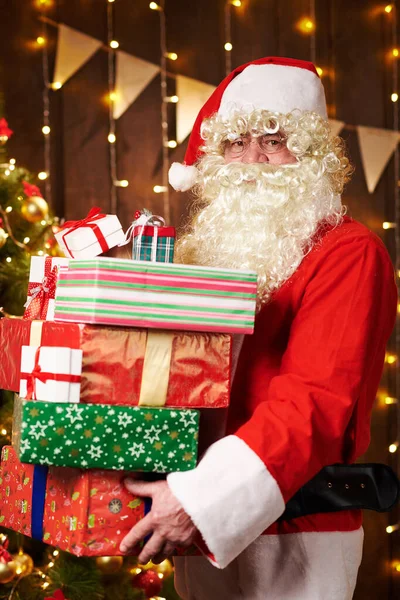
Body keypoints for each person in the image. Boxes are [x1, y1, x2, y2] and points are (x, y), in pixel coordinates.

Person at [120, 57, 398, 599]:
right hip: (197, 524)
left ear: (312, 153)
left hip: (296, 536)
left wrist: (202, 500)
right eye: (235, 143)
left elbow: (314, 403)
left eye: (273, 140)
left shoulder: (350, 253)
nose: (251, 162)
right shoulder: (203, 253)